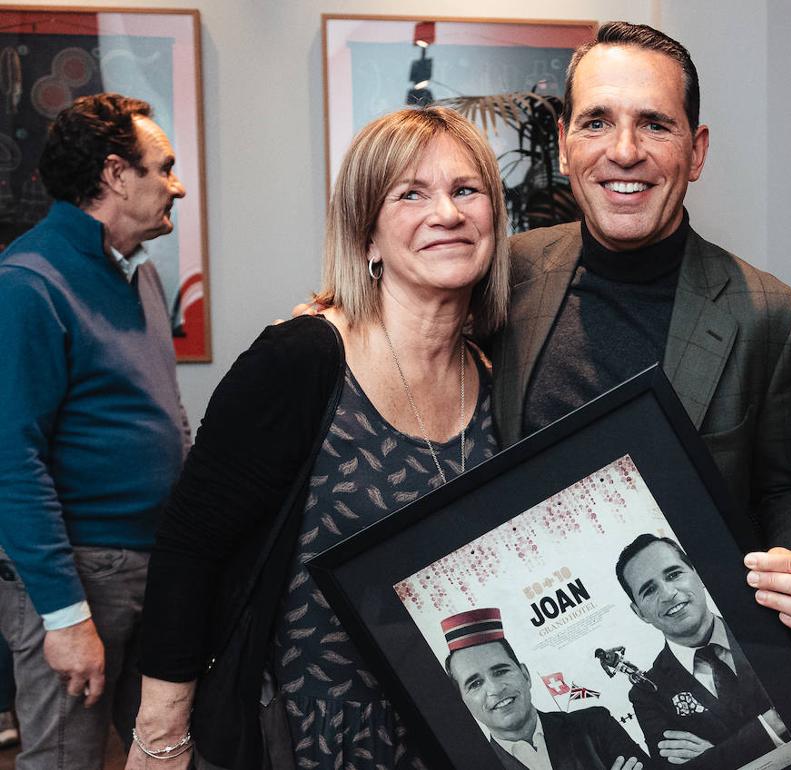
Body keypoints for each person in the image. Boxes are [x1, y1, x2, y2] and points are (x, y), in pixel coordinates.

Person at [126, 106, 509, 769]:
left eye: (465, 190)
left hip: (456, 731)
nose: (446, 213)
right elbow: (189, 549)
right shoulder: (301, 360)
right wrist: (160, 737)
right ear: (367, 237)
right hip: (311, 733)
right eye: (411, 194)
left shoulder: (499, 376)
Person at [488, 21, 791, 637]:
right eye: (597, 122)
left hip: (694, 631)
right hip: (540, 632)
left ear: (696, 151)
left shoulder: (774, 317)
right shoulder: (507, 274)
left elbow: (779, 493)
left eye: (654, 124)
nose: (624, 151)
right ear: (564, 145)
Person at [0, 93, 189, 767]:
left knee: (166, 750)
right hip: (79, 574)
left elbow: (162, 415)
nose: (177, 186)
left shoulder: (140, 275)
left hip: (153, 564)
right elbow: (11, 461)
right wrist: (64, 616)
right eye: (163, 169)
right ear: (114, 175)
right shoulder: (28, 283)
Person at [615, 534, 791, 768]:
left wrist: (715, 756)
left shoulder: (762, 623)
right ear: (639, 612)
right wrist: (771, 725)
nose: (668, 594)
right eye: (649, 590)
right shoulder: (647, 694)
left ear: (698, 574)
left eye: (673, 574)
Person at [442, 608, 645, 770]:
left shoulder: (594, 725)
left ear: (525, 675)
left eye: (501, 671)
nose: (495, 689)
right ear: (462, 702)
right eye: (475, 684)